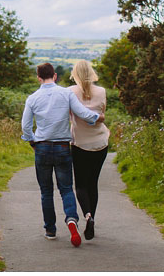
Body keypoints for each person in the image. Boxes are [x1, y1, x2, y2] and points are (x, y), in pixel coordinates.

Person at [21, 62, 105, 247]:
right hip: (62, 147)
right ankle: (72, 220)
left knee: (46, 191)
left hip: (42, 147)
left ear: (38, 78)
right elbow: (82, 112)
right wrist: (97, 118)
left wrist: (32, 141)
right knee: (66, 188)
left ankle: (50, 230)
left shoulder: (32, 98)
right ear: (55, 76)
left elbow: (26, 126)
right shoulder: (66, 93)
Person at [68, 59, 110, 241]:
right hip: (100, 143)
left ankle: (87, 216)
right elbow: (103, 114)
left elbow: (69, 115)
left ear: (75, 74)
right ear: (91, 72)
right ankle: (93, 217)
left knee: (80, 185)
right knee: (93, 183)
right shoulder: (101, 91)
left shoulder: (70, 92)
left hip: (79, 144)